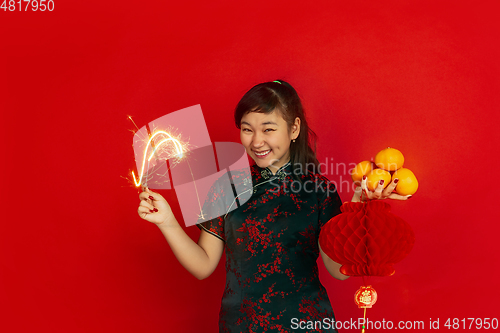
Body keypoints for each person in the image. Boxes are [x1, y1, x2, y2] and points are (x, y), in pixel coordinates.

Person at [137, 80, 410, 332]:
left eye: (268, 129)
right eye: (247, 129)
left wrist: (357, 205)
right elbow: (203, 265)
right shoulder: (227, 186)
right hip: (241, 326)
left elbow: (339, 271)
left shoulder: (319, 190)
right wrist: (167, 222)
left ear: (294, 129)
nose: (256, 141)